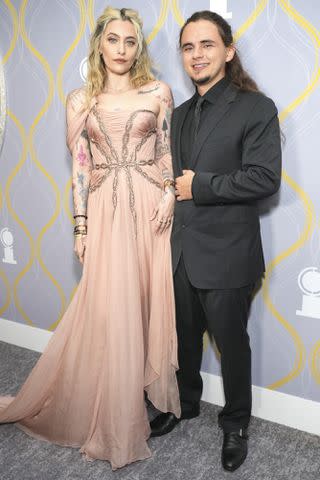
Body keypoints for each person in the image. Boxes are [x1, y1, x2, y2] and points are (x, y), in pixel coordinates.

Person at [0, 6, 180, 470]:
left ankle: (136, 392)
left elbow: (166, 151)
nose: (122, 50)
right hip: (105, 208)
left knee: (144, 299)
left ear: (138, 48)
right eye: (113, 40)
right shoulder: (82, 99)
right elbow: (81, 167)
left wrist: (168, 194)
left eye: (130, 42)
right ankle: (114, 413)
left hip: (150, 206)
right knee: (110, 305)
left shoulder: (158, 91)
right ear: (99, 44)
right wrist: (80, 226)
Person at [150, 10, 282, 472]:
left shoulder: (255, 107)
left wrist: (199, 186)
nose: (196, 55)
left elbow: (265, 179)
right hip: (181, 251)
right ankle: (185, 403)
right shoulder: (180, 114)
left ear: (228, 51)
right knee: (184, 340)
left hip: (228, 254)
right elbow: (173, 183)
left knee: (232, 344)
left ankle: (235, 423)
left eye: (207, 45)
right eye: (188, 47)